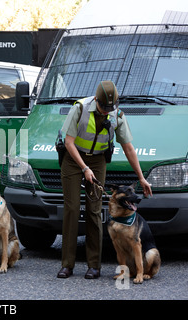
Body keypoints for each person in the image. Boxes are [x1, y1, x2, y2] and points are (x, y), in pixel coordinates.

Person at [57, 80, 152, 279]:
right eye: (103, 107)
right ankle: (67, 264)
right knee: (72, 209)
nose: (106, 111)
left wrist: (141, 178)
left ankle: (94, 266)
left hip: (98, 161)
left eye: (110, 107)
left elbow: (128, 148)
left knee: (94, 210)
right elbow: (68, 142)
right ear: (96, 100)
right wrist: (84, 168)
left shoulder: (117, 115)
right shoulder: (80, 108)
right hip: (73, 159)